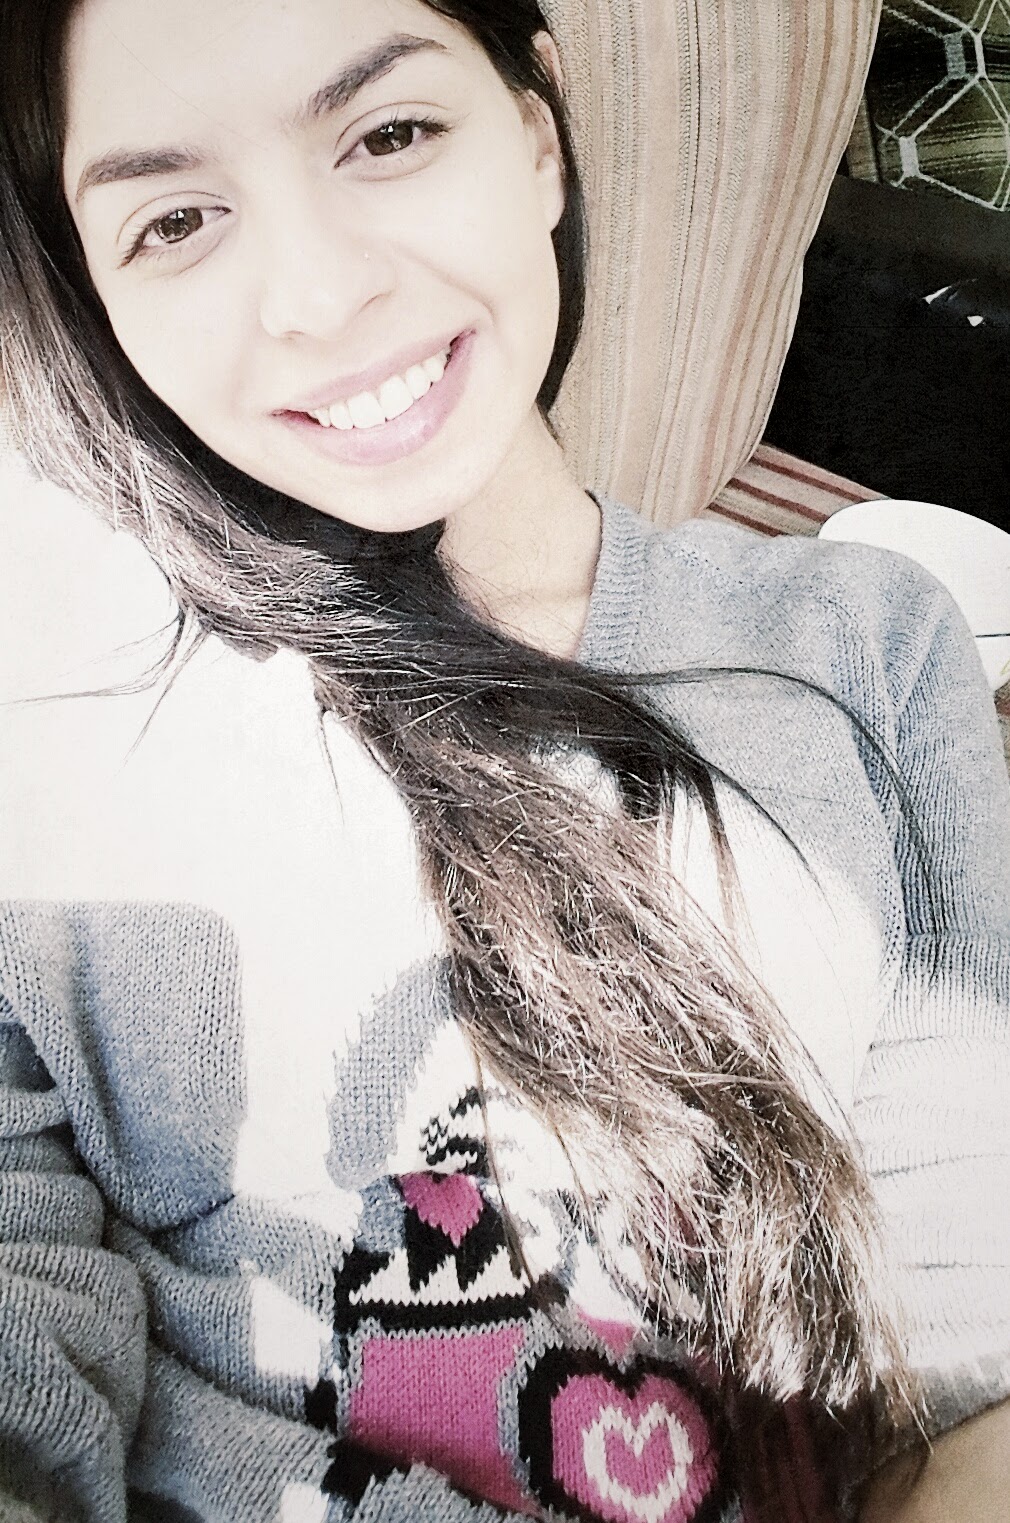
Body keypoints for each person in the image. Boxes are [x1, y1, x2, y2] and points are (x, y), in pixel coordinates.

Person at [0, 1, 1007, 1520]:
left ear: (536, 134)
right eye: (178, 220)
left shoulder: (868, 643)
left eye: (389, 134)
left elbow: (970, 1345)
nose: (320, 296)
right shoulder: (55, 774)